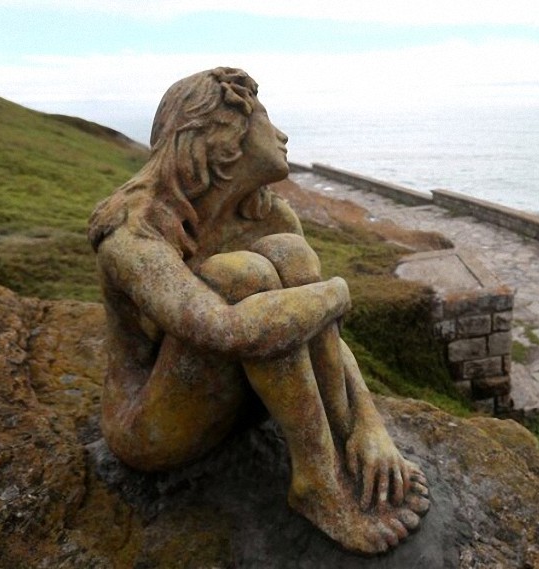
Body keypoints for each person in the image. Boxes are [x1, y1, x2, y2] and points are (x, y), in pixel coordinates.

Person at [88, 67, 428, 554]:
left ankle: (341, 443)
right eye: (268, 121)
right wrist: (337, 291)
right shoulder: (134, 234)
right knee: (241, 277)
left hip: (240, 402)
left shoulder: (271, 216)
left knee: (289, 255)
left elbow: (317, 332)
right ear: (224, 136)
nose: (283, 135)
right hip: (153, 427)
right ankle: (317, 483)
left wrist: (370, 426)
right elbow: (226, 331)